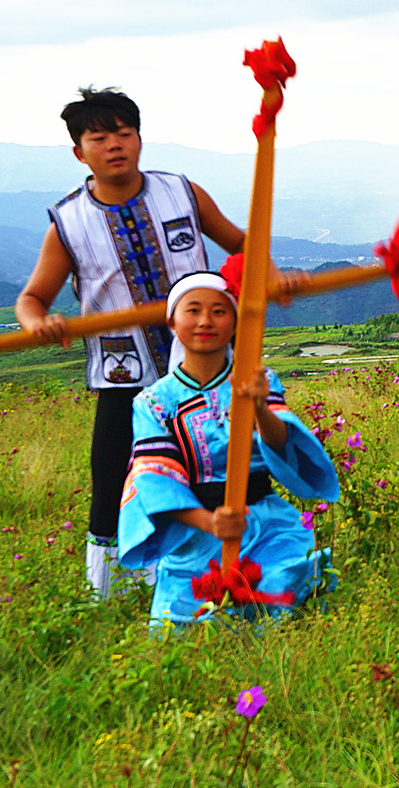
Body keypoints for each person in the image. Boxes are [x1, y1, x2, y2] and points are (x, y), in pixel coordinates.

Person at [14, 88, 245, 600]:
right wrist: (37, 322)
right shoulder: (68, 221)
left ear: (140, 139)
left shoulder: (181, 193)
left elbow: (241, 246)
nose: (115, 145)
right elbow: (32, 298)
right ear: (80, 152)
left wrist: (268, 273)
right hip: (124, 375)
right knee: (117, 477)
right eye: (100, 137)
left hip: (205, 365)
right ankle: (114, 591)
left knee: (217, 464)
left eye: (125, 133)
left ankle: (228, 570)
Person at [119, 270, 341, 627]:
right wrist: (211, 523)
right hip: (197, 529)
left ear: (236, 322)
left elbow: (282, 446)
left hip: (265, 521)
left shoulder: (259, 378)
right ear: (172, 322)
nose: (205, 321)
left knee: (287, 594)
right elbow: (157, 481)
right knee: (186, 626)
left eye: (219, 311)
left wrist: (257, 406)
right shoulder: (154, 402)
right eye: (193, 310)